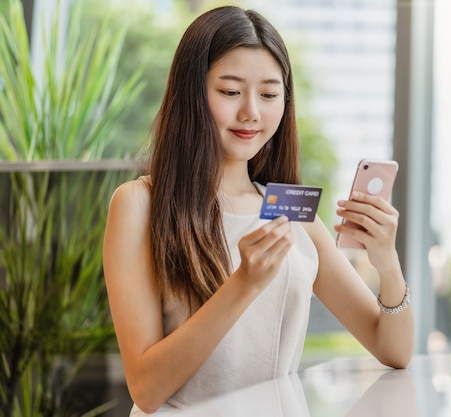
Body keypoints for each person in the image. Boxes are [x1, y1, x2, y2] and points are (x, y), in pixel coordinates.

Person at [102, 5, 414, 415]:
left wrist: (387, 264)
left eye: (269, 94)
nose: (251, 111)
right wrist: (244, 284)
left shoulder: (289, 208)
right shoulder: (139, 204)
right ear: (191, 93)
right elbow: (146, 387)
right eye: (230, 92)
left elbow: (393, 350)